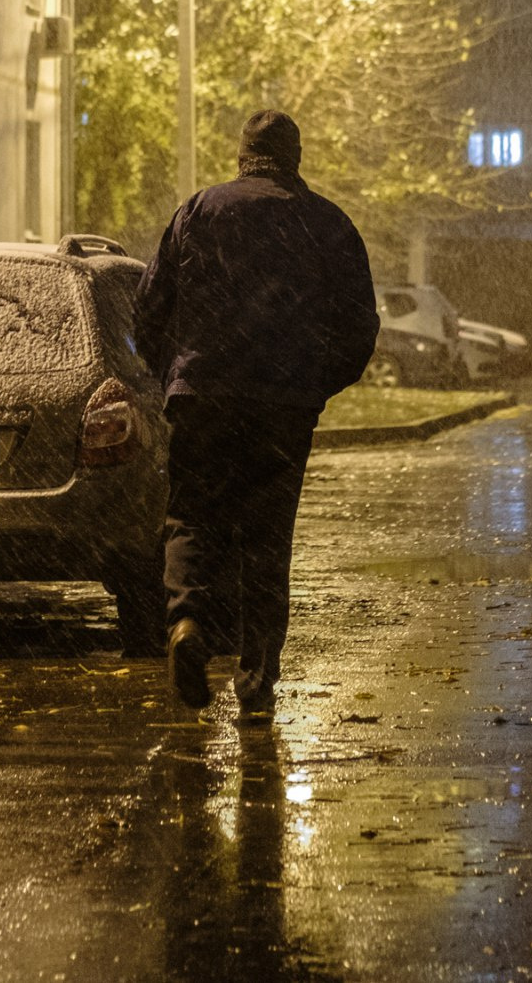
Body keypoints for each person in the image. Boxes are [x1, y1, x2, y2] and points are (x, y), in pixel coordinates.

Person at [133, 109, 379, 722]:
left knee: (191, 516)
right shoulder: (327, 224)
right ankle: (257, 681)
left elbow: (148, 310)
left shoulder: (197, 212)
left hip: (203, 397)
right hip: (282, 406)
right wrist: (316, 384)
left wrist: (175, 375)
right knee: (268, 539)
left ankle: (186, 620)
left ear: (243, 155)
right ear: (295, 159)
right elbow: (359, 327)